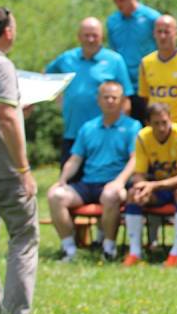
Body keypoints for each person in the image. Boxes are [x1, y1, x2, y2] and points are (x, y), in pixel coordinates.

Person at [0, 7, 48, 314]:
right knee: (24, 237)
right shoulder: (2, 66)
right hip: (3, 172)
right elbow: (4, 119)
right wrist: (24, 168)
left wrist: (19, 110)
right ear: (7, 31)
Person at [46, 81, 141, 262]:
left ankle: (108, 249)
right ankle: (70, 250)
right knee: (55, 195)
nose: (110, 101)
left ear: (122, 101)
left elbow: (135, 159)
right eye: (106, 97)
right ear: (98, 100)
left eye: (115, 97)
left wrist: (120, 181)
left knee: (111, 195)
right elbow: (75, 159)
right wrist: (63, 180)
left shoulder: (133, 126)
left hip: (115, 183)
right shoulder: (88, 127)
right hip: (88, 183)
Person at [45, 17, 133, 167]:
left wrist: (121, 130)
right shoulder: (67, 58)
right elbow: (46, 76)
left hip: (103, 135)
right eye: (86, 35)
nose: (90, 39)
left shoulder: (114, 60)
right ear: (79, 37)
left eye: (95, 35)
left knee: (100, 181)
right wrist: (58, 98)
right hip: (73, 132)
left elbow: (125, 98)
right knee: (67, 182)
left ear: (102, 37)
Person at [122, 103, 177, 267]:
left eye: (165, 122)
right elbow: (139, 172)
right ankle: (135, 252)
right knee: (133, 195)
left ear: (170, 119)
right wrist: (140, 187)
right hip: (157, 188)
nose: (162, 127)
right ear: (148, 123)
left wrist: (153, 185)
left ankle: (176, 253)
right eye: (156, 123)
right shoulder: (143, 137)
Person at [106, 0, 161, 121]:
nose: (119, 5)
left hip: (149, 86)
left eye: (122, 0)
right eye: (115, 1)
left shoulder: (151, 18)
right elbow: (113, 54)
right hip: (124, 87)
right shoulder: (112, 21)